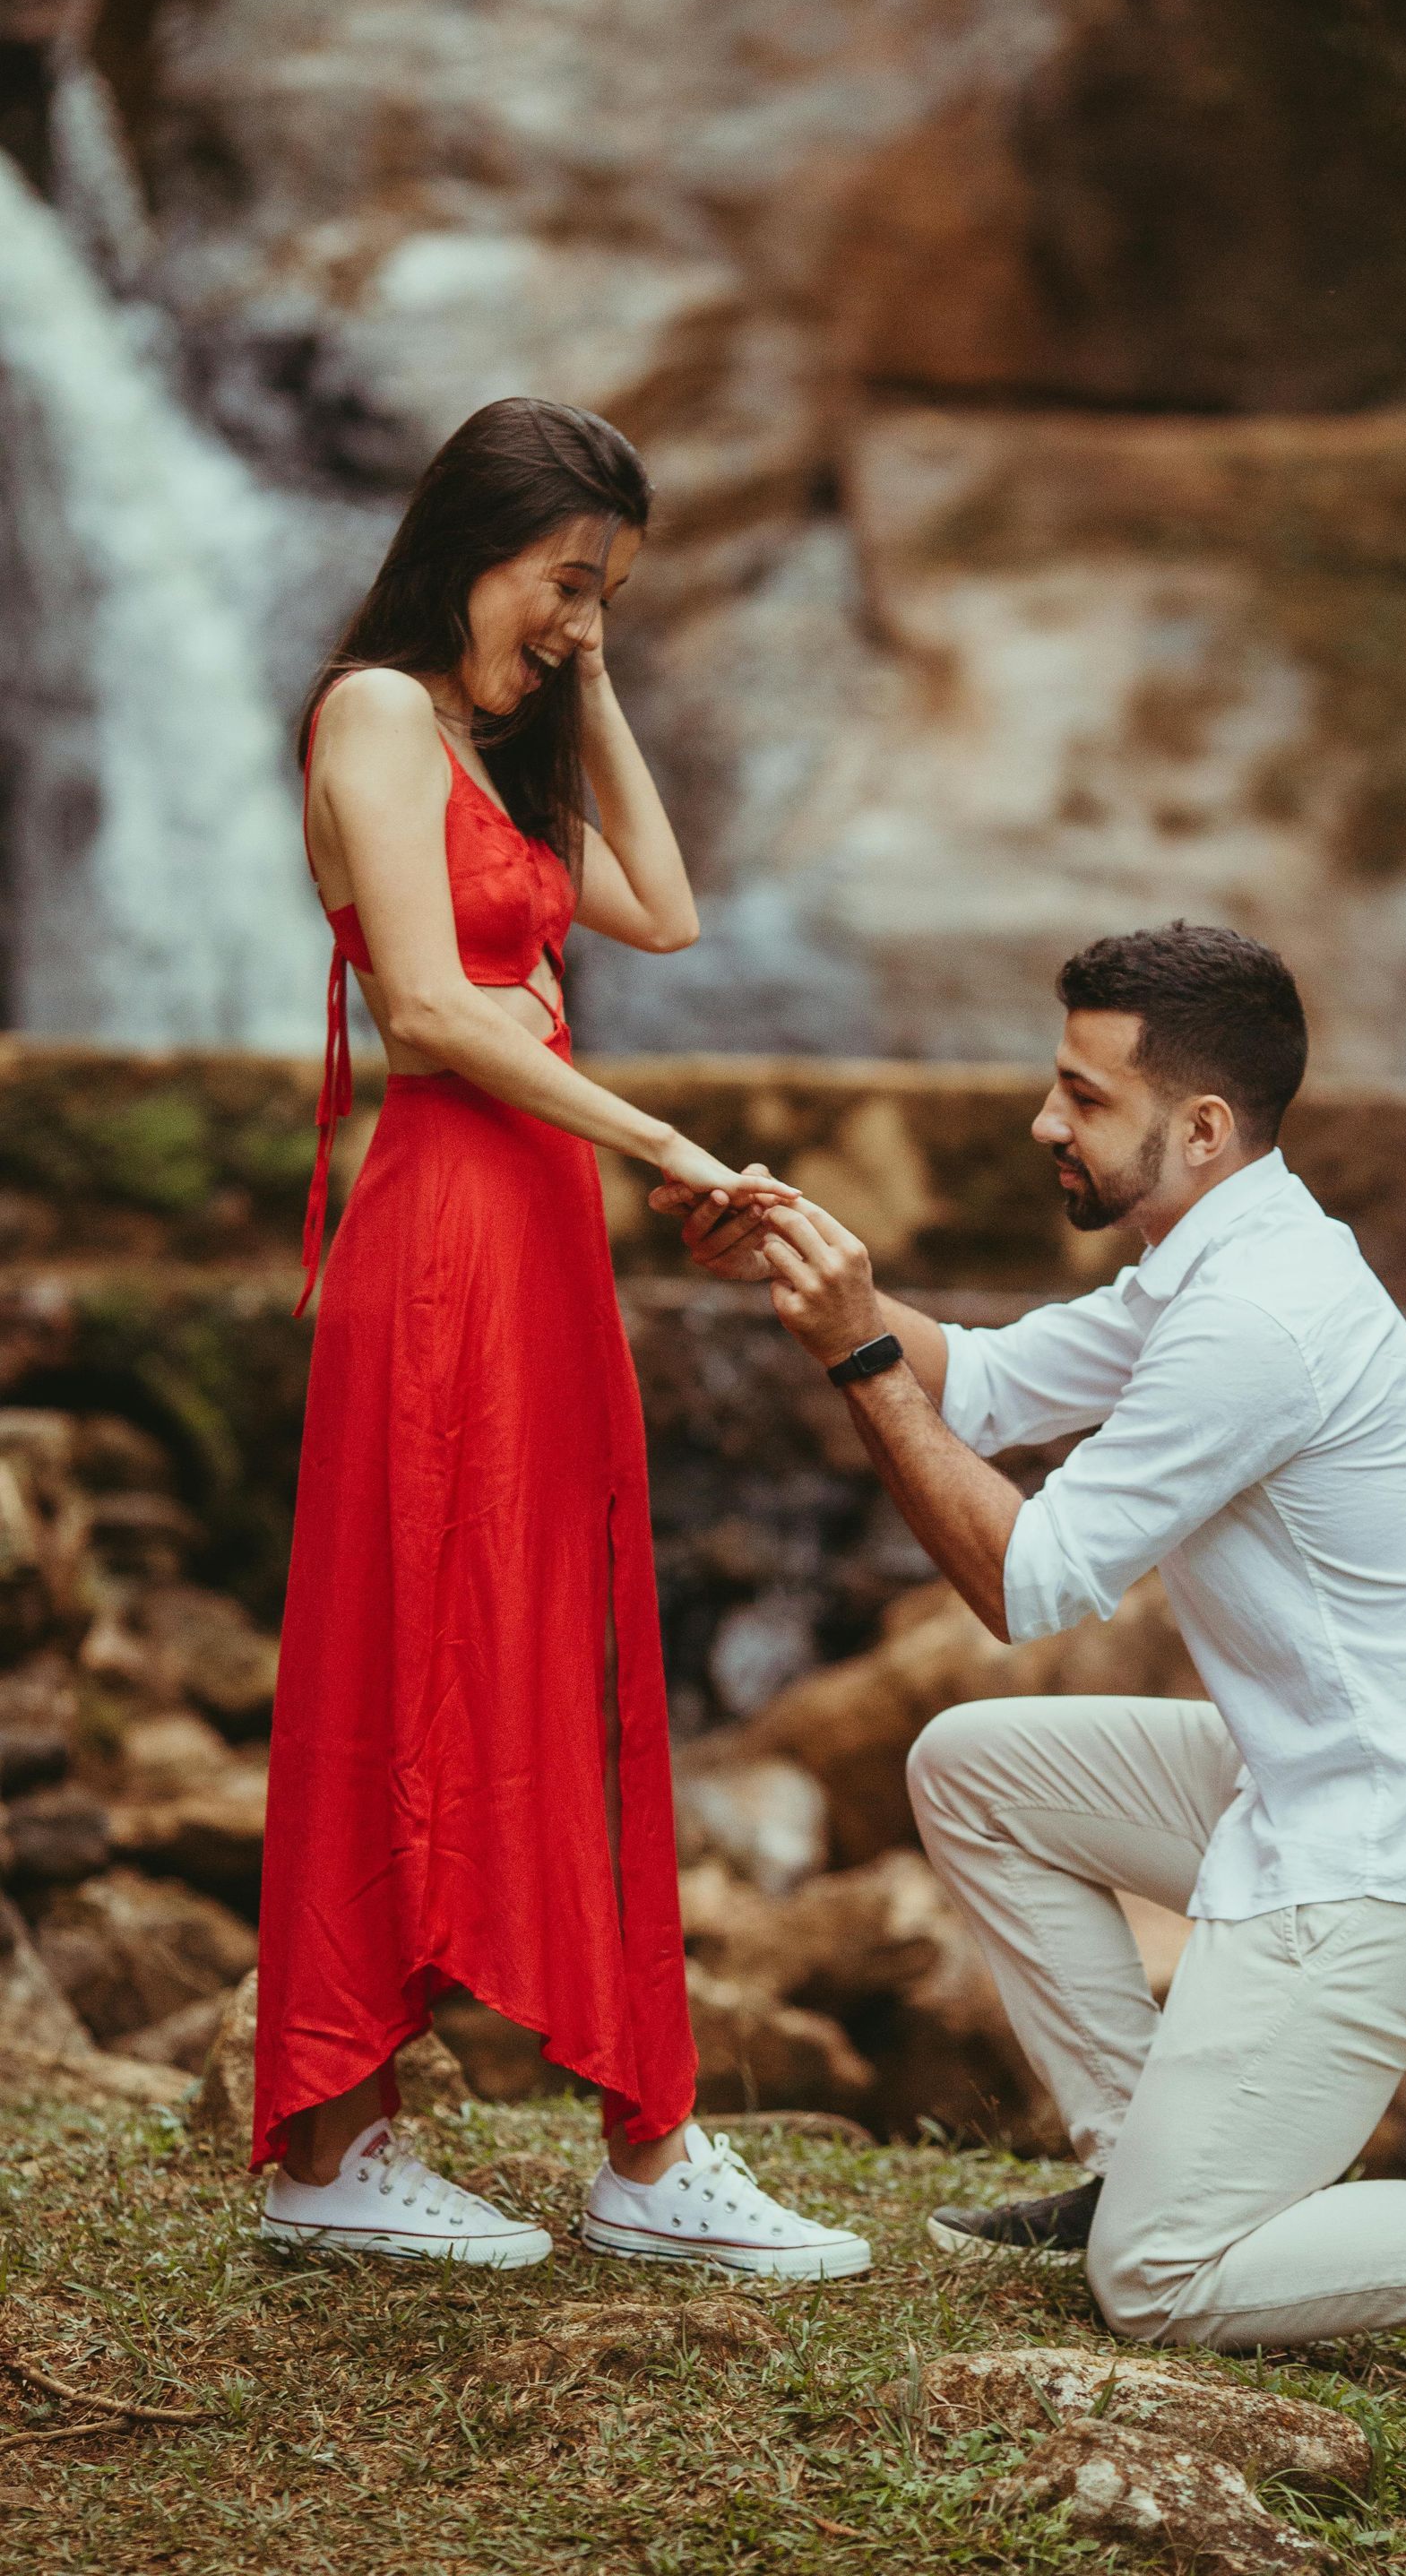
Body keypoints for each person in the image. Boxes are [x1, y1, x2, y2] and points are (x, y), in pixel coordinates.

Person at [656, 921, 1406, 2462]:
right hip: (1315, 1787)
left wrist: (857, 1364)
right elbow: (996, 1383)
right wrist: (817, 1271)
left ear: (1200, 1127)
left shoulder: (1252, 1321)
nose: (1043, 1122)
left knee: (1156, 2283)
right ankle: (1134, 2146)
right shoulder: (1224, 1249)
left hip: (1398, 1863)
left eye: (1082, 1098)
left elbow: (1024, 1587)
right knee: (973, 1766)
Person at [254, 397, 869, 2285]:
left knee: (552, 1639)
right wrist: (676, 1145)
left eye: (606, 594)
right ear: (472, 543)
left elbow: (665, 916)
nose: (578, 618)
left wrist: (589, 684)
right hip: (444, 1223)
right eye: (563, 582)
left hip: (538, 1239)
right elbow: (435, 1012)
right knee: (412, 1635)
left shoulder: (495, 749)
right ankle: (343, 2142)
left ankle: (635, 2141)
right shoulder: (371, 709)